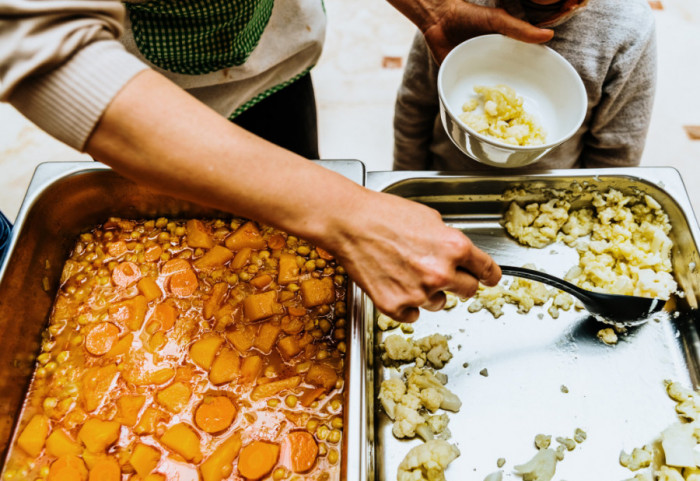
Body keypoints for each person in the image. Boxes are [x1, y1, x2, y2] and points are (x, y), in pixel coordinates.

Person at [0, 0, 554, 322]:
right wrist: (344, 212)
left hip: (276, 56)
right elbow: (47, 42)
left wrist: (428, 9)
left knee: (288, 229)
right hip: (150, 98)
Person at [393, 0, 657, 172]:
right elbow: (415, 107)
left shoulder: (629, 25)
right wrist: (406, 186)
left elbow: (617, 151)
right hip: (447, 177)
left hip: (550, 203)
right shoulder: (452, 4)